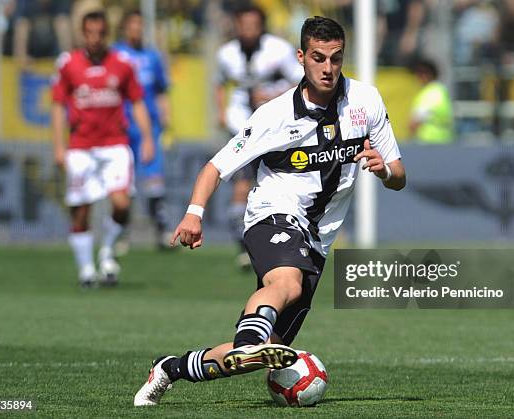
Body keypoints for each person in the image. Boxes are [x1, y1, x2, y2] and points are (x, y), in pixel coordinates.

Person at [134, 16, 406, 406]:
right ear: (301, 57)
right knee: (286, 285)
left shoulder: (366, 101)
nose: (327, 68)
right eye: (318, 58)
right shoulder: (273, 116)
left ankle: (169, 369)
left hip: (319, 238)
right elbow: (215, 167)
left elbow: (399, 175)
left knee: (266, 353)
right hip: (272, 213)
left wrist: (384, 171)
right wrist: (193, 213)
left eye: (335, 58)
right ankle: (249, 341)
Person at [51, 11, 154, 287]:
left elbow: (138, 101)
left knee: (121, 203)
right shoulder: (68, 63)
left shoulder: (122, 63)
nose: (95, 39)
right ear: (82, 34)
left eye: (100, 33)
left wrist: (147, 138)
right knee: (80, 210)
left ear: (107, 34)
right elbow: (59, 106)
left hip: (114, 145)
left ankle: (107, 251)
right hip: (81, 147)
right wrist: (59, 146)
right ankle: (86, 269)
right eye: (89, 33)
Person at [215, 4, 303, 269]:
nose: (248, 30)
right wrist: (220, 112)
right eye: (243, 25)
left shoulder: (279, 50)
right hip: (241, 124)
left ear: (261, 26)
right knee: (241, 182)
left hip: (276, 127)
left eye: (254, 25)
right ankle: (245, 244)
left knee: (273, 180)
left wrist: (270, 95)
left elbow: (300, 81)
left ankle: (280, 237)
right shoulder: (226, 54)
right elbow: (219, 83)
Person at [113, 10, 173, 251]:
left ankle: (161, 230)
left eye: (140, 25)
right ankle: (120, 233)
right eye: (133, 25)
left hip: (150, 126)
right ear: (125, 28)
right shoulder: (116, 55)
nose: (137, 30)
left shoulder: (152, 56)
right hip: (121, 126)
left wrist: (166, 117)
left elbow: (160, 90)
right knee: (123, 181)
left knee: (153, 178)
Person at [409, 58, 454, 144]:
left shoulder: (429, 94)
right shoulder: (441, 91)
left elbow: (415, 122)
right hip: (445, 141)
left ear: (426, 74)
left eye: (419, 74)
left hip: (429, 144)